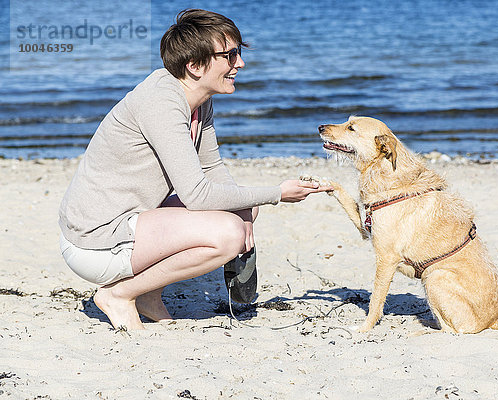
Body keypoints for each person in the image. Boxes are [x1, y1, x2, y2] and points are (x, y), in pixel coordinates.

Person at [58, 9, 331, 331]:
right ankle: (120, 294)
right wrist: (278, 194)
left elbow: (212, 167)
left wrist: (247, 220)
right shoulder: (160, 102)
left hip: (131, 220)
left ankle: (147, 295)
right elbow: (197, 194)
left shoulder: (196, 99)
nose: (239, 64)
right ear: (195, 65)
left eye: (239, 53)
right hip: (97, 240)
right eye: (230, 55)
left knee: (244, 210)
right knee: (226, 235)